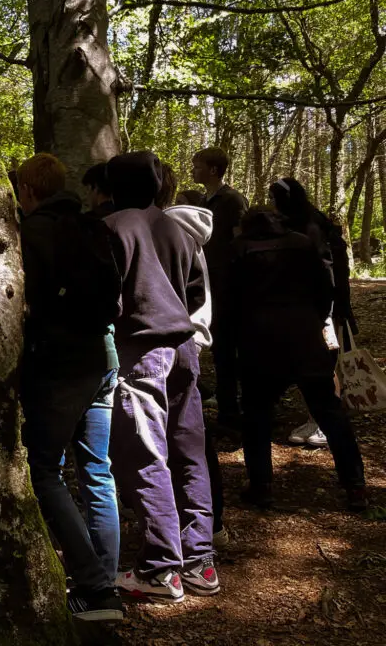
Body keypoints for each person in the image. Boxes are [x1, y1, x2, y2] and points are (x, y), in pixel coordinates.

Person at [105, 152, 219, 601]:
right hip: (184, 348)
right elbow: (193, 292)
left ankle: (161, 568)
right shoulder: (177, 229)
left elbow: (106, 295)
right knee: (189, 450)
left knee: (145, 452)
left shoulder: (112, 228)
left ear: (114, 186)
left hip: (141, 349)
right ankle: (199, 560)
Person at [16, 154, 124, 621]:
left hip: (60, 366)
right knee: (97, 471)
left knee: (43, 470)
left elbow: (26, 302)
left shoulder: (32, 232)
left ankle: (97, 589)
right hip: (101, 358)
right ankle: (106, 579)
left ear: (27, 190)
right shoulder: (92, 227)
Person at [228, 207, 367, 512]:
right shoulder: (302, 244)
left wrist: (236, 336)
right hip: (304, 337)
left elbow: (229, 300)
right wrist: (313, 321)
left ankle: (261, 486)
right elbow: (325, 289)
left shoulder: (239, 249)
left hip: (259, 340)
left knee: (257, 416)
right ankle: (355, 485)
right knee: (330, 413)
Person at [157, 165, 228, 550]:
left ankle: (184, 541)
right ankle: (206, 528)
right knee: (191, 440)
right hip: (190, 341)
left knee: (172, 443)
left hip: (167, 343)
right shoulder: (191, 238)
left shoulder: (166, 235)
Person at [270, 177, 356, 448]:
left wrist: (328, 313)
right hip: (303, 308)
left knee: (325, 363)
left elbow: (328, 272)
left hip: (321, 307)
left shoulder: (311, 227)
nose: (271, 204)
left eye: (273, 198)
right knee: (308, 364)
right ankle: (315, 418)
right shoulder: (294, 224)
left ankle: (324, 423)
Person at [192, 147, 248, 430]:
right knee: (220, 350)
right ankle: (227, 407)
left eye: (198, 165)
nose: (193, 170)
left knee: (229, 348)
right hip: (209, 283)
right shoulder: (205, 200)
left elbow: (241, 242)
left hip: (229, 285)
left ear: (213, 170)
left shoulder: (232, 200)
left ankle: (234, 414)